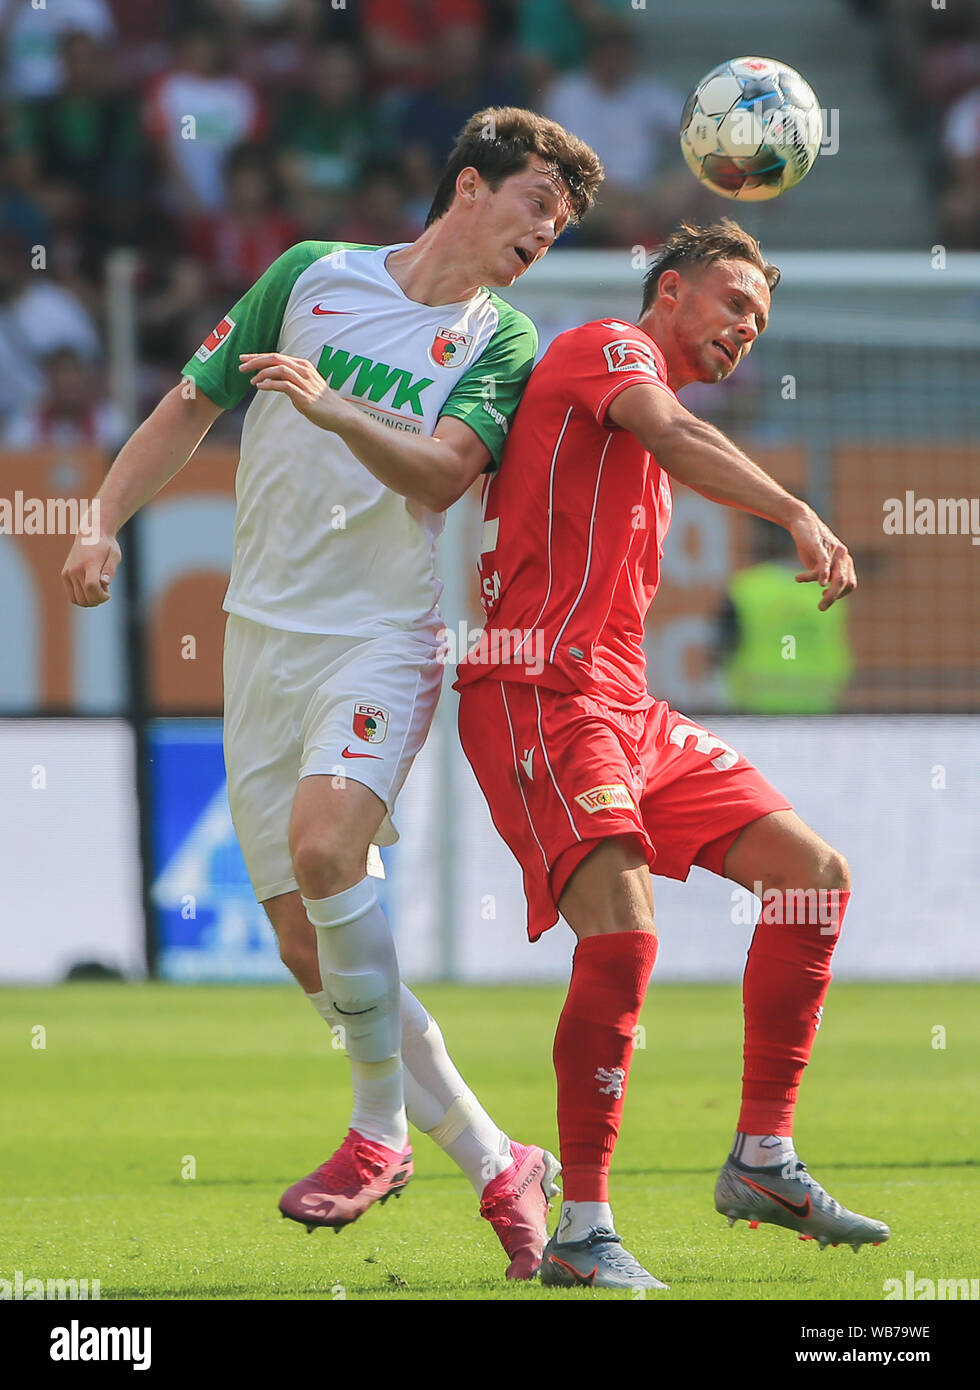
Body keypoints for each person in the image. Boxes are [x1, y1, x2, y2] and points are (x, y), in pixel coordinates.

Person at [61, 107, 603, 1281]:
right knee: (312, 950)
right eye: (535, 211)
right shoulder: (312, 274)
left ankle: (378, 1132)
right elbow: (189, 403)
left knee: (325, 850)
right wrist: (100, 521)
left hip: (383, 634)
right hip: (260, 639)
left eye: (557, 230)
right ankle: (500, 1162)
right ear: (471, 186)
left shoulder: (500, 340)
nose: (541, 240)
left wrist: (330, 407)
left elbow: (443, 478)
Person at [452, 219, 889, 1289]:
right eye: (733, 303)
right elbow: (674, 434)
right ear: (668, 291)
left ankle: (763, 1159)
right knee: (624, 935)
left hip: (624, 707)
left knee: (810, 878)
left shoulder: (644, 437)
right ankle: (582, 1230)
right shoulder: (606, 349)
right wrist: (795, 509)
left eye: (760, 319)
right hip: (536, 692)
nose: (746, 330)